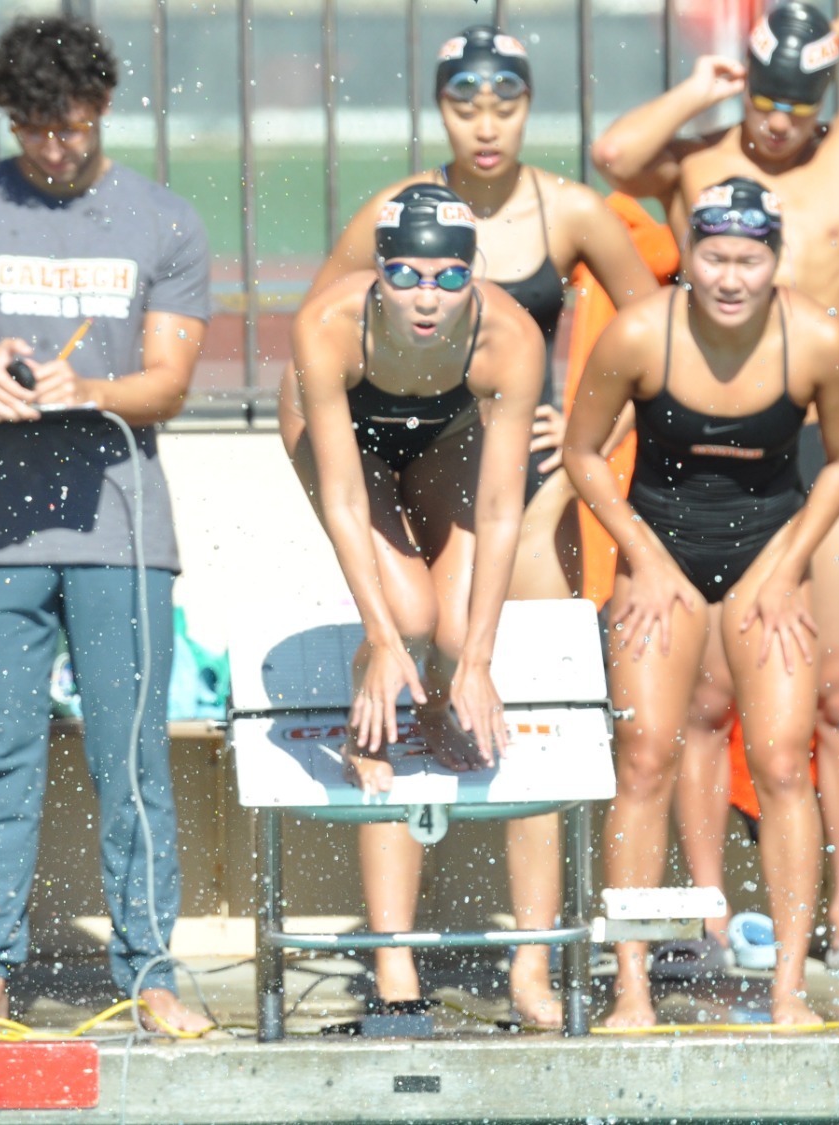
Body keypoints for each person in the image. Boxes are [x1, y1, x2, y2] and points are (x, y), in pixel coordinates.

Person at [592, 0, 839, 980]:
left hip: (807, 443)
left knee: (838, 692)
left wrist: (838, 33)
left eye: (795, 104)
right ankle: (708, 921)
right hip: (707, 448)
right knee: (707, 706)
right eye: (763, 100)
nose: (776, 123)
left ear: (823, 95)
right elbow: (613, 157)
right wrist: (702, 88)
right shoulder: (703, 152)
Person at [303, 25, 658, 1025]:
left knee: (512, 681)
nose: (486, 123)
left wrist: (589, 425)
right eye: (466, 103)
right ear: (440, 107)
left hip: (507, 467)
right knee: (406, 642)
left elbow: (650, 335)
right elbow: (327, 333)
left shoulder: (571, 211)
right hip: (378, 446)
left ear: (527, 104)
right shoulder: (392, 214)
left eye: (504, 103)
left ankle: (531, 967)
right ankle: (394, 967)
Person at [0, 16, 212, 1036]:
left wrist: (93, 385)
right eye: (31, 128)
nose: (52, 148)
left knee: (130, 756)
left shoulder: (162, 221)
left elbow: (166, 385)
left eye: (68, 127)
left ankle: (152, 971)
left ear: (101, 110)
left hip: (119, 530)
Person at [565, 178, 839, 1026]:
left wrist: (788, 562)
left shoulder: (818, 343)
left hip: (768, 549)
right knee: (645, 756)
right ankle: (629, 987)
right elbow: (585, 453)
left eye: (749, 258)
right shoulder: (638, 335)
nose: (731, 278)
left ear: (775, 259)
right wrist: (642, 555)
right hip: (660, 547)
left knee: (778, 760)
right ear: (688, 257)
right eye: (714, 258)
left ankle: (789, 987)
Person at [280, 184, 545, 1018]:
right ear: (377, 272)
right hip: (339, 436)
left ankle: (428, 677)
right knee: (413, 617)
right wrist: (380, 632)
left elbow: (504, 509)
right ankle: (379, 672)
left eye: (445, 275)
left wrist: (481, 661)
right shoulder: (328, 325)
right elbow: (348, 503)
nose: (425, 297)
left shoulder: (508, 337)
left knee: (460, 627)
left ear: (474, 273)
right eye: (403, 273)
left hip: (445, 431)